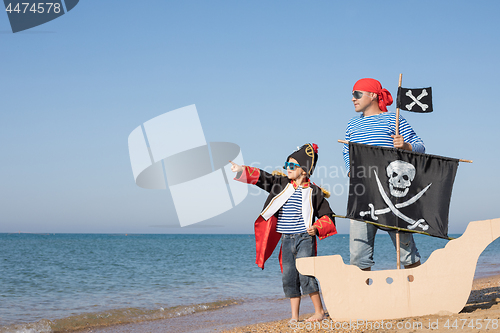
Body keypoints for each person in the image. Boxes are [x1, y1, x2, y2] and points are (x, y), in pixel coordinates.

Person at [230, 143, 337, 322]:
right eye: (286, 164)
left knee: (306, 274)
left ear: (304, 171)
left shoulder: (314, 192)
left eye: (292, 166)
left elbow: (328, 216)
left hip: (304, 238)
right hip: (286, 240)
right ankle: (294, 316)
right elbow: (263, 177)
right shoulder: (280, 183)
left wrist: (317, 227)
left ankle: (319, 312)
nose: (287, 168)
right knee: (288, 276)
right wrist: (242, 169)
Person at [343, 78, 425, 271]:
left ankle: (417, 291)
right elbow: (347, 151)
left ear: (372, 95)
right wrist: (349, 170)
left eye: (357, 94)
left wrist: (405, 145)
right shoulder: (351, 126)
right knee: (358, 254)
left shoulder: (393, 120)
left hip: (393, 194)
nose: (353, 99)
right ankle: (363, 298)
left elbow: (420, 145)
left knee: (406, 250)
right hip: (362, 193)